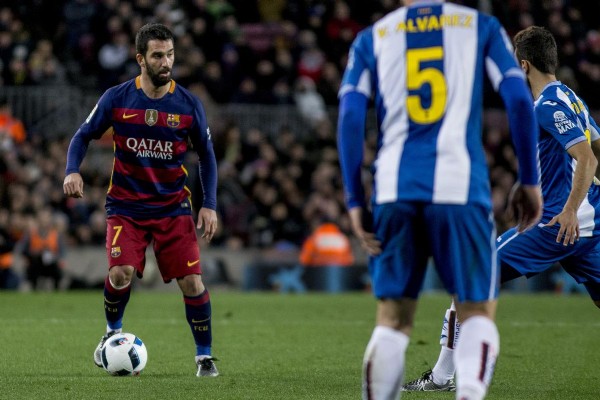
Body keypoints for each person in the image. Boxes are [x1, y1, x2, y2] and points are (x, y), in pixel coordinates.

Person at [337, 2, 543, 400]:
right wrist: (530, 180)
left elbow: (349, 114)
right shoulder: (481, 27)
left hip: (394, 189)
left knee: (392, 321)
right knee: (476, 311)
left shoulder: (372, 37)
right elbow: (519, 99)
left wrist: (354, 199)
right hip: (460, 188)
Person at [402, 25, 600, 393]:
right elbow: (597, 151)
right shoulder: (572, 98)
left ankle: (444, 376)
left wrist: (572, 208)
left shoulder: (548, 105)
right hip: (591, 226)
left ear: (524, 65)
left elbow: (587, 157)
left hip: (557, 223)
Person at [63, 23, 219, 377]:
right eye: (158, 56)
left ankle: (204, 357)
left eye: (170, 54)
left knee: (192, 281)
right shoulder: (117, 98)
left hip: (173, 207)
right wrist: (72, 170)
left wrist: (209, 203)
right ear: (140, 59)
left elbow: (207, 155)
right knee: (120, 274)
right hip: (126, 207)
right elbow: (83, 135)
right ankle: (111, 333)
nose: (167, 62)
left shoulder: (188, 104)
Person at [15, 208, 65, 290]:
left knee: (57, 267)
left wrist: (54, 256)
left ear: (50, 220)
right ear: (38, 220)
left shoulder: (56, 235)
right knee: (33, 265)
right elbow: (21, 249)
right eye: (42, 218)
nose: (44, 221)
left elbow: (61, 253)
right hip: (35, 263)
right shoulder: (30, 234)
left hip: (51, 264)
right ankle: (33, 287)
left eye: (46, 218)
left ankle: (57, 288)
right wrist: (32, 253)